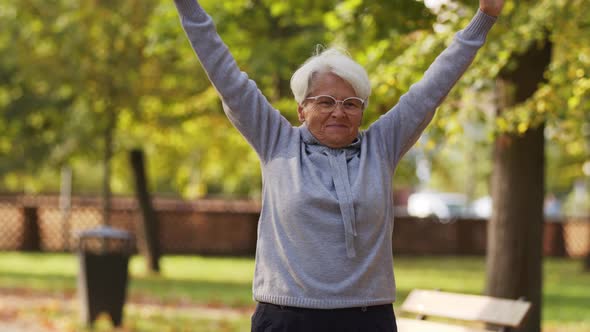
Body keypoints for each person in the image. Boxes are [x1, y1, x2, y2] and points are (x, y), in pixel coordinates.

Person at [173, 0, 504, 331]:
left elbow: (433, 87)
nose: (338, 112)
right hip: (288, 317)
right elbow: (226, 74)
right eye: (325, 102)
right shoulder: (276, 141)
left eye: (351, 104)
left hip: (367, 317)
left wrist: (484, 18)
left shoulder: (382, 147)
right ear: (302, 109)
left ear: (362, 111)